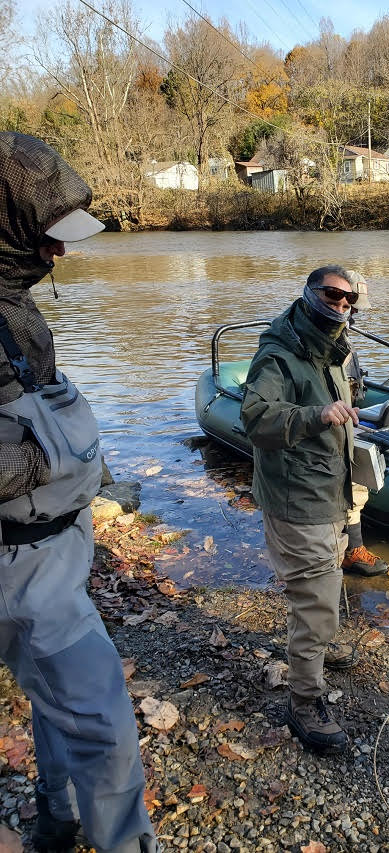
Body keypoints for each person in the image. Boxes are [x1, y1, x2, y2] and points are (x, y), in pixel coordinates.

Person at [0, 133, 157, 853]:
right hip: (23, 568)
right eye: (49, 235)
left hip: (56, 550)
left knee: (54, 699)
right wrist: (38, 461)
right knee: (104, 721)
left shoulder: (12, 298)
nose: (61, 251)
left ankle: (57, 818)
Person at [241, 265, 359, 754]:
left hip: (330, 490)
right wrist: (317, 414)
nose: (341, 306)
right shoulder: (278, 354)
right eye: (332, 295)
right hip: (298, 497)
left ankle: (319, 645)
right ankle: (304, 701)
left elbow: (339, 399)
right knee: (314, 600)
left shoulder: (332, 350)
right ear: (310, 294)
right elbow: (256, 418)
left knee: (326, 582)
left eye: (349, 300)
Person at [341, 270, 389, 577]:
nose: (352, 315)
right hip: (326, 424)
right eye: (349, 308)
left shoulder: (341, 339)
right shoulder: (309, 340)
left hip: (347, 415)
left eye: (354, 309)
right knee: (353, 483)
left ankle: (349, 547)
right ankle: (351, 550)